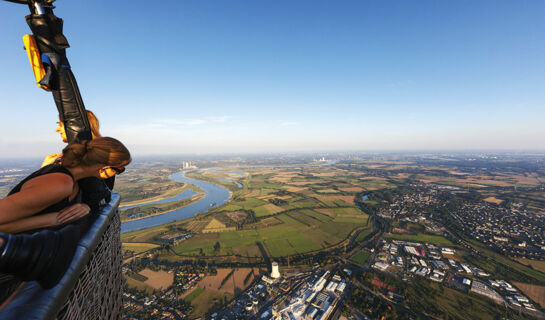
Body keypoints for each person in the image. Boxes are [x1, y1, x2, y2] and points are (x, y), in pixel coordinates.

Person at [0, 137, 131, 234]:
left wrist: (87, 206)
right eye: (119, 170)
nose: (118, 173)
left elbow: (104, 195)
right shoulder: (61, 184)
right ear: (104, 168)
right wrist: (53, 220)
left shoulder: (76, 180)